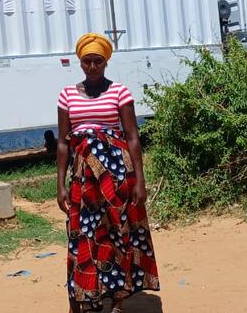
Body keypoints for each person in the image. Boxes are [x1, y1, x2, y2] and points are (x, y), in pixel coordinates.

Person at [56, 33, 161, 313]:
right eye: (87, 61)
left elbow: (133, 137)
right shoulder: (67, 95)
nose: (92, 67)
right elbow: (63, 144)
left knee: (117, 233)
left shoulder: (120, 92)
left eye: (98, 62)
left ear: (106, 63)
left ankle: (116, 300)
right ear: (80, 63)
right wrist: (60, 186)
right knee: (84, 234)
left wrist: (140, 181)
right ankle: (86, 295)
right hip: (82, 178)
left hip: (117, 176)